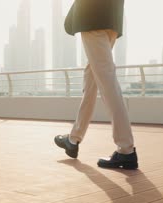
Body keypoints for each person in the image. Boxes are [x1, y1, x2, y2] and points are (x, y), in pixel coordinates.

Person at [54, 0, 138, 170]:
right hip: (111, 17)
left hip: (93, 16)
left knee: (107, 82)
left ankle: (126, 150)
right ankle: (73, 139)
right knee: (92, 79)